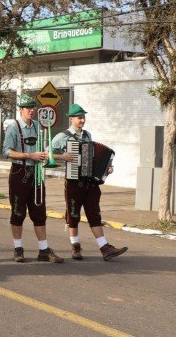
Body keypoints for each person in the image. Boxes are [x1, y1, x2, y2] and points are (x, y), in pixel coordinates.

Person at [51, 104, 128, 261]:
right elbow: (47, 154)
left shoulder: (87, 135)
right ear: (71, 119)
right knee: (73, 214)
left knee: (94, 214)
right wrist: (63, 157)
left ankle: (105, 248)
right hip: (73, 182)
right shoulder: (62, 137)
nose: (82, 120)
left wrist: (106, 168)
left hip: (90, 183)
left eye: (83, 117)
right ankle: (75, 247)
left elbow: (92, 158)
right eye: (79, 117)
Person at [2, 94, 64, 263]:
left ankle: (43, 250)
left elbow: (43, 149)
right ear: (21, 109)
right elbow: (6, 151)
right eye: (28, 108)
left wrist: (56, 157)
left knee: (39, 212)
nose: (32, 110)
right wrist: (30, 155)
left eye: (33, 107)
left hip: (36, 173)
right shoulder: (13, 127)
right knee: (17, 212)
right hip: (19, 172)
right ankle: (18, 248)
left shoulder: (38, 126)